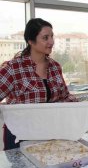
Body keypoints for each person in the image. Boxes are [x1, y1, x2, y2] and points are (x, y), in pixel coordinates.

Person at [0, 18, 77, 150]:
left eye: (52, 36)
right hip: (19, 135)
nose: (51, 42)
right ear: (31, 41)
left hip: (48, 132)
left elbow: (65, 97)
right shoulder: (14, 68)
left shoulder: (55, 66)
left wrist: (87, 108)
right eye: (45, 38)